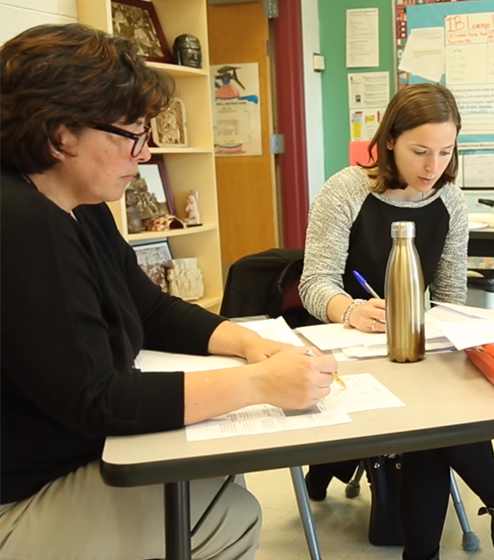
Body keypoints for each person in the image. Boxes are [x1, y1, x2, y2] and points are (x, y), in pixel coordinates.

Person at [0, 24, 338, 560]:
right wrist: (257, 385)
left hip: (74, 454)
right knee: (228, 514)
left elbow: (150, 309)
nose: (144, 152)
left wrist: (249, 344)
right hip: (21, 496)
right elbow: (97, 399)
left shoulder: (76, 204)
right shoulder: (20, 224)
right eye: (132, 133)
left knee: (221, 477)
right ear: (61, 134)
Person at [299, 82, 494, 560]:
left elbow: (453, 297)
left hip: (416, 347)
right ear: (389, 140)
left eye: (445, 151)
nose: (432, 166)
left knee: (437, 420)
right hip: (349, 351)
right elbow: (313, 284)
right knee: (432, 423)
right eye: (419, 151)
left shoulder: (450, 200)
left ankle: (463, 537)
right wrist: (352, 310)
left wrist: (459, 332)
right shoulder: (346, 190)